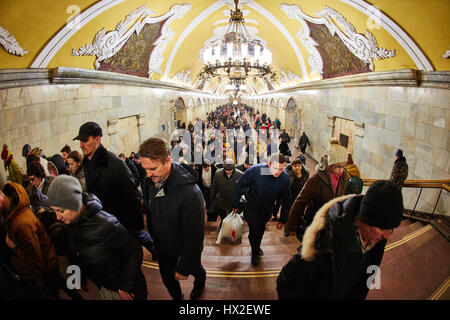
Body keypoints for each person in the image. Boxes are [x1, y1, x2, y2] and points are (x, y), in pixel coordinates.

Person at [277, 180, 404, 299]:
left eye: (391, 229)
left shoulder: (377, 239)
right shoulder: (323, 246)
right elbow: (285, 283)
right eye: (383, 228)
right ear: (364, 218)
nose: (387, 236)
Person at [47, 175, 147, 300]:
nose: (57, 217)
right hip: (103, 285)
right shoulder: (70, 225)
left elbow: (134, 251)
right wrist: (80, 280)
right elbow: (76, 255)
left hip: (121, 290)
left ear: (74, 203)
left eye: (61, 211)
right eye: (54, 211)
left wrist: (125, 286)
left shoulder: (107, 224)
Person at [73, 122, 156, 259]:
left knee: (138, 238)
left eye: (85, 140)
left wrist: (135, 224)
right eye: (80, 141)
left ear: (97, 139)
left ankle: (155, 250)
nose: (81, 145)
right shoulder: (87, 163)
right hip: (106, 218)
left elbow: (133, 194)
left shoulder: (114, 163)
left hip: (123, 218)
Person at [140, 137, 206, 300]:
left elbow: (195, 235)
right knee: (167, 279)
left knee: (195, 269)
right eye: (145, 169)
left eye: (153, 169)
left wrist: (183, 268)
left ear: (168, 160)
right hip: (162, 247)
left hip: (183, 247)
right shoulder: (150, 181)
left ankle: (200, 283)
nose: (148, 174)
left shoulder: (190, 192)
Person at [0, 182, 60, 299]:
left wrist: (14, 247)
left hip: (46, 272)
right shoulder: (16, 207)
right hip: (49, 262)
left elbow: (37, 262)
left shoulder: (21, 223)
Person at [232, 153, 291, 266]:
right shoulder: (257, 171)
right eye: (275, 168)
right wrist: (236, 204)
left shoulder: (284, 178)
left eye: (281, 169)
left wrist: (283, 219)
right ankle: (255, 251)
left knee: (261, 229)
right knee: (254, 230)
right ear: (268, 164)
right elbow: (239, 184)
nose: (278, 172)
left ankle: (256, 246)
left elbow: (287, 200)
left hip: (267, 209)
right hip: (252, 207)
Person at [286, 139, 349, 241]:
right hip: (315, 222)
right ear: (330, 164)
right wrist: (291, 226)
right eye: (338, 167)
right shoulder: (316, 179)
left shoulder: (344, 176)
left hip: (331, 222)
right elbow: (300, 202)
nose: (341, 170)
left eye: (343, 166)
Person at [211, 159, 243, 227]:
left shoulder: (240, 174)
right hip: (221, 200)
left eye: (230, 170)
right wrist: (212, 198)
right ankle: (223, 224)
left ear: (233, 168)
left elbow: (241, 190)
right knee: (223, 215)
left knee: (233, 217)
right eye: (226, 170)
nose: (228, 172)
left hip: (233, 200)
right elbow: (214, 186)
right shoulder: (218, 173)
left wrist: (239, 204)